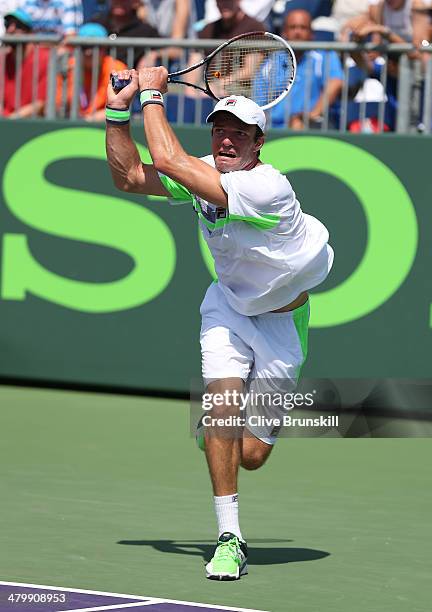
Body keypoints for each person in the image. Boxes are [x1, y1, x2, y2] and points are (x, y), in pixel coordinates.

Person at [105, 66, 333, 579]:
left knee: (251, 455)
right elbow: (129, 176)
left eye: (239, 133)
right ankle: (230, 537)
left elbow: (166, 157)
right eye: (219, 129)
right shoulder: (205, 169)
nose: (226, 139)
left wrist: (151, 93)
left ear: (258, 143)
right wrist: (117, 113)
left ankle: (222, 437)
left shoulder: (267, 187)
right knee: (223, 410)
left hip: (282, 323)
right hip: (227, 308)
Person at [267, 9, 344, 129]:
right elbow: (260, 99)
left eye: (303, 27)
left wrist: (310, 115)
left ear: (311, 33)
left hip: (311, 127)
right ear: (284, 32)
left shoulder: (325, 55)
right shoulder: (271, 61)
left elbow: (335, 83)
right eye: (293, 27)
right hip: (272, 128)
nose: (298, 32)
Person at [56, 22, 127, 120]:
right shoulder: (69, 67)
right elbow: (58, 106)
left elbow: (120, 108)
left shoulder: (118, 69)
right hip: (73, 123)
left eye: (94, 47)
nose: (88, 52)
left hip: (105, 125)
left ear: (104, 48)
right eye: (84, 47)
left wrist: (89, 119)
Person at [1, 8, 51, 118]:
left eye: (18, 26)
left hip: (32, 125)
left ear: (30, 33)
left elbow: (40, 104)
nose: (10, 30)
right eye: (7, 25)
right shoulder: (2, 60)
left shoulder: (44, 58)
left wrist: (9, 120)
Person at [92, 0, 160, 69]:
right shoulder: (95, 24)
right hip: (98, 78)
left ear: (135, 2)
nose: (119, 3)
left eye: (124, 1)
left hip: (129, 78)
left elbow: (169, 49)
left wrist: (153, 54)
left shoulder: (145, 30)